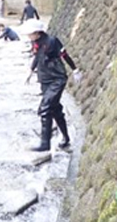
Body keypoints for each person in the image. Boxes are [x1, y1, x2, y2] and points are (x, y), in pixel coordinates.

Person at [20, 19, 80, 152]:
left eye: (30, 34)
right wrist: (30, 71)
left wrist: (75, 70)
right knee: (55, 109)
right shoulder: (35, 42)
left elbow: (64, 55)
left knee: (45, 108)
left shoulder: (52, 41)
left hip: (57, 78)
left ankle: (44, 143)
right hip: (44, 79)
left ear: (37, 32)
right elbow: (37, 57)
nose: (28, 36)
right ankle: (66, 138)